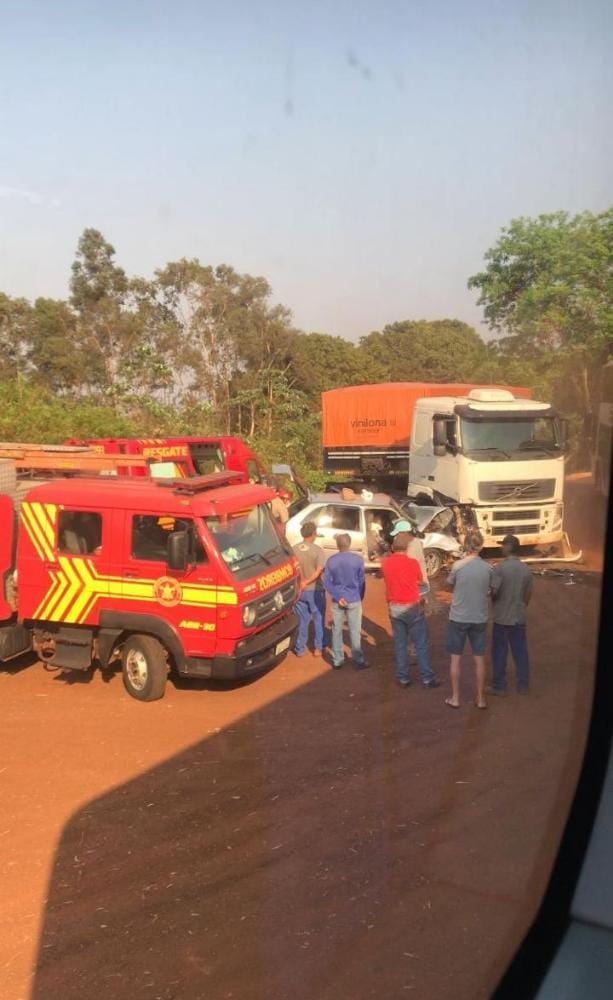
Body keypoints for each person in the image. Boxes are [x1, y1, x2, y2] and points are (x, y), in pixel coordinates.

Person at [381, 535, 439, 689]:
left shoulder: (386, 564)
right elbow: (420, 581)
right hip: (412, 606)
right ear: (407, 549)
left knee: (400, 644)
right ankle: (427, 678)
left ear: (393, 548)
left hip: (395, 607)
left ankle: (403, 678)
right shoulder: (412, 563)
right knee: (420, 643)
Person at [445, 530, 492, 710]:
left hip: (458, 617)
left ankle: (455, 698)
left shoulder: (458, 566)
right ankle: (480, 699)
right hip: (479, 617)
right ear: (480, 546)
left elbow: (449, 584)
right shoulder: (488, 568)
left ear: (466, 546)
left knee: (455, 658)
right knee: (479, 659)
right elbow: (491, 589)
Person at [490, 534, 533, 694]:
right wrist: (521, 607)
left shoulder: (500, 569)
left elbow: (494, 592)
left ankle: (499, 686)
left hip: (502, 618)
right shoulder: (526, 570)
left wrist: (493, 600)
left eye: (503, 545)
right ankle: (523, 685)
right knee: (520, 652)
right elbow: (527, 595)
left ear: (509, 547)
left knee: (500, 652)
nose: (501, 547)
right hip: (518, 617)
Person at [323, 533, 369, 670]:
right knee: (355, 630)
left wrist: (337, 596)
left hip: (338, 601)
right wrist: (359, 597)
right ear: (349, 544)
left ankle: (338, 660)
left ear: (338, 545)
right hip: (354, 598)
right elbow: (362, 581)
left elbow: (327, 581)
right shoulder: (357, 560)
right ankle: (358, 660)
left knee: (337, 630)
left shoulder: (331, 560)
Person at [293, 521, 326, 658]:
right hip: (315, 590)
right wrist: (307, 581)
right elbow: (319, 572)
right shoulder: (318, 551)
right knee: (318, 619)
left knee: (302, 620)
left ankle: (300, 648)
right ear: (313, 534)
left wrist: (301, 582)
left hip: (300, 591)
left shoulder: (294, 549)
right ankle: (318, 648)